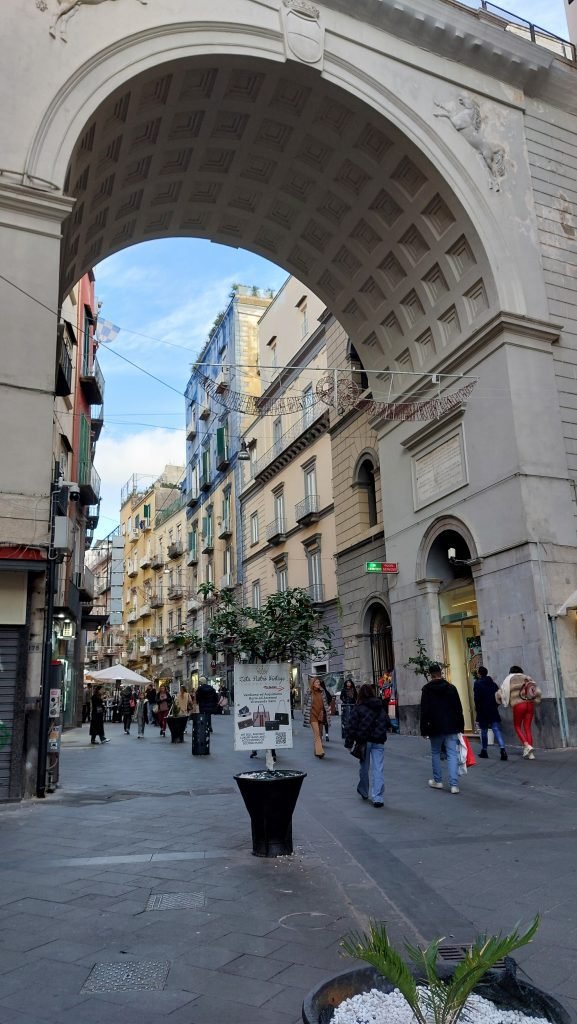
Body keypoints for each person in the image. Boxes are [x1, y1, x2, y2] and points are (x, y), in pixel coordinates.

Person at [420, 664, 465, 794]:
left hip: (434, 726)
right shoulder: (451, 688)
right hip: (451, 725)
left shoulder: (427, 689)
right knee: (452, 753)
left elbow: (425, 710)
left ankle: (438, 781)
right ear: (441, 673)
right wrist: (460, 725)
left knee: (435, 752)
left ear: (430, 675)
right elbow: (458, 708)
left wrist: (424, 728)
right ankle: (454, 785)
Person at [345, 683, 389, 807]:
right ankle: (378, 797)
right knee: (378, 768)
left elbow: (351, 727)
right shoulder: (379, 705)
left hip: (364, 741)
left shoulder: (358, 707)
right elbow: (386, 721)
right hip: (379, 740)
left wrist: (349, 743)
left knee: (364, 767)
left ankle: (364, 791)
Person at [496, 665, 542, 759]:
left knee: (517, 726)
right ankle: (531, 754)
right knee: (527, 728)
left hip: (519, 705)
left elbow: (500, 694)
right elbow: (537, 692)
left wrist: (499, 699)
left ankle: (527, 746)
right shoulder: (527, 677)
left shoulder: (508, 679)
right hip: (530, 704)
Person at [474, 666, 508, 760]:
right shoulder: (493, 684)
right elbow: (498, 695)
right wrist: (495, 706)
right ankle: (503, 750)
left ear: (479, 673)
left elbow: (477, 699)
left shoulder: (477, 684)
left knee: (484, 731)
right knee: (496, 729)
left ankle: (484, 750)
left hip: (483, 710)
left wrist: (477, 710)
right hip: (493, 709)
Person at [303, 677, 331, 758]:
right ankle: (320, 752)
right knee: (317, 733)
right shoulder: (309, 692)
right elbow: (305, 702)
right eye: (316, 682)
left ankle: (316, 751)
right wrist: (307, 693)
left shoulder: (322, 692)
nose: (318, 684)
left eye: (319, 682)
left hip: (320, 714)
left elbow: (325, 702)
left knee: (320, 732)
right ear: (313, 683)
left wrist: (327, 711)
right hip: (312, 715)